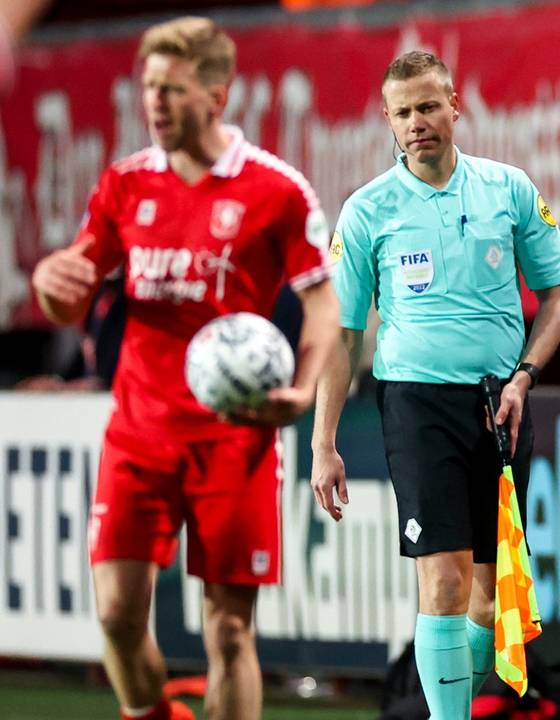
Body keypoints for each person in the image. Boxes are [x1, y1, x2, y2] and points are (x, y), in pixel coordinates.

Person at [29, 17, 339, 720]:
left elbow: (323, 308)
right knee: (115, 614)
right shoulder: (124, 184)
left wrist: (300, 392)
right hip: (138, 434)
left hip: (235, 439)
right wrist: (50, 281)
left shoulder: (277, 190)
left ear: (217, 96)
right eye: (148, 87)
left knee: (228, 629)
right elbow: (70, 290)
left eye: (171, 88)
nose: (155, 102)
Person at [309, 51, 560, 720]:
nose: (416, 122)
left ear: (455, 106)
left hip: (501, 403)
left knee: (489, 597)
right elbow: (342, 336)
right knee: (444, 580)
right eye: (403, 112)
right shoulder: (367, 210)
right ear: (387, 120)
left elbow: (559, 297)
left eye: (428, 106)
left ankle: (455, 703)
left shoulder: (509, 189)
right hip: (416, 403)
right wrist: (323, 442)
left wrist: (525, 377)